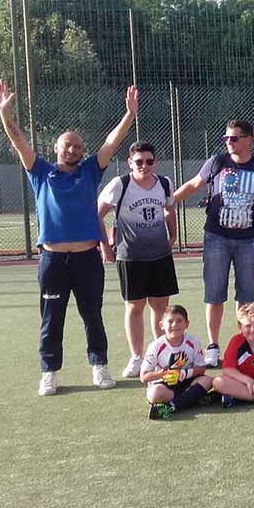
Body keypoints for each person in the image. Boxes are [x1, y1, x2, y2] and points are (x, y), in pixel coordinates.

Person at [0, 79, 137, 395]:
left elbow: (112, 142)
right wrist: (5, 113)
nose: (73, 149)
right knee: (51, 319)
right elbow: (17, 140)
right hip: (53, 260)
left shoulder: (90, 171)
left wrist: (129, 115)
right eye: (67, 144)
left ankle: (99, 366)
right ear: (56, 148)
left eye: (78, 146)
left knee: (92, 316)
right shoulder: (40, 171)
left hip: (87, 259)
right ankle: (49, 372)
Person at [174, 119, 254, 368]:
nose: (229, 142)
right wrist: (168, 201)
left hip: (249, 241)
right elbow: (194, 184)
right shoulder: (217, 162)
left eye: (234, 138)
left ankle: (241, 344)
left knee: (246, 298)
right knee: (215, 294)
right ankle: (213, 346)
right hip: (216, 239)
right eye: (226, 139)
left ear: (248, 139)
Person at [97, 141, 179, 378]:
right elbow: (97, 215)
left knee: (160, 307)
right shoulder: (120, 184)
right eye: (139, 162)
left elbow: (169, 209)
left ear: (155, 162)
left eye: (149, 161)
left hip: (160, 255)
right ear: (130, 163)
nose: (144, 166)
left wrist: (172, 234)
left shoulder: (164, 183)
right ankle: (136, 357)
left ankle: (161, 353)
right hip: (130, 257)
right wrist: (105, 246)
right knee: (135, 307)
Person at [140, 305, 214, 420]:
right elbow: (144, 377)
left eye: (179, 321)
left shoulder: (193, 341)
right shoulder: (155, 346)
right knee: (154, 394)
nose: (174, 325)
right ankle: (192, 399)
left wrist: (183, 374)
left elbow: (201, 368)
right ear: (161, 325)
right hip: (165, 385)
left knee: (208, 381)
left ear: (186, 324)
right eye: (170, 321)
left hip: (186, 381)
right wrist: (164, 374)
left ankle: (170, 406)